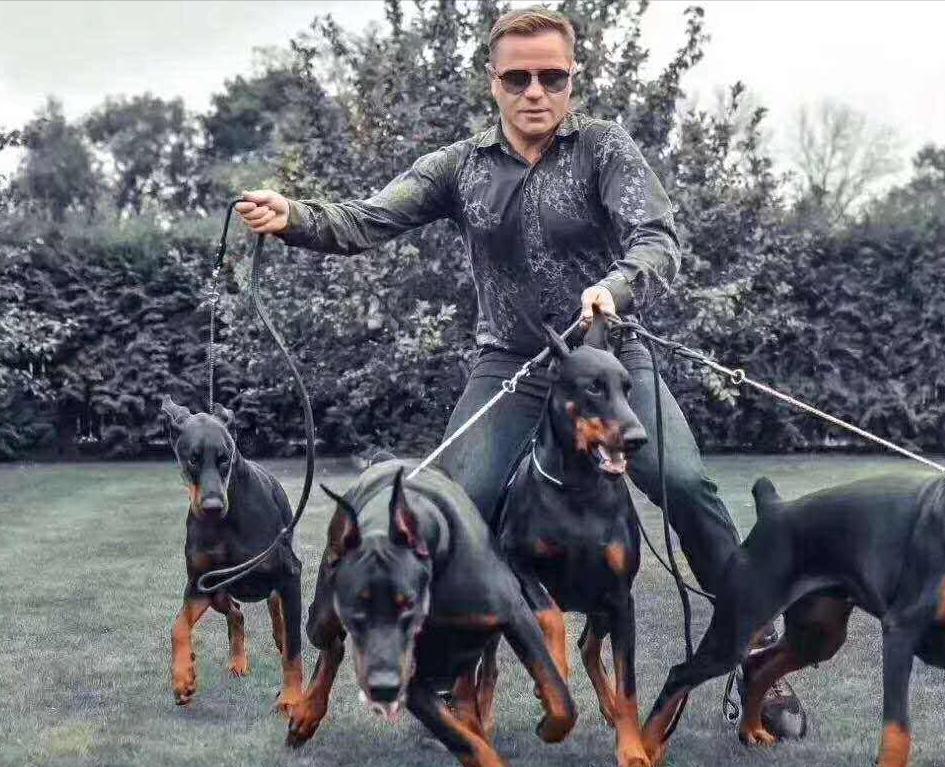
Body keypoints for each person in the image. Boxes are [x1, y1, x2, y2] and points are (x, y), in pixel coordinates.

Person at [235, 6, 805, 738]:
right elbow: (367, 219)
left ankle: (756, 652)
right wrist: (290, 215)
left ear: (572, 79)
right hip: (510, 364)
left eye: (551, 77)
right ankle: (448, 669)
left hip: (608, 359)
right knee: (454, 500)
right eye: (517, 78)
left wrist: (617, 287)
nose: (535, 91)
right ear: (492, 82)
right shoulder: (459, 166)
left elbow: (658, 239)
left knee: (685, 483)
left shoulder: (604, 148)